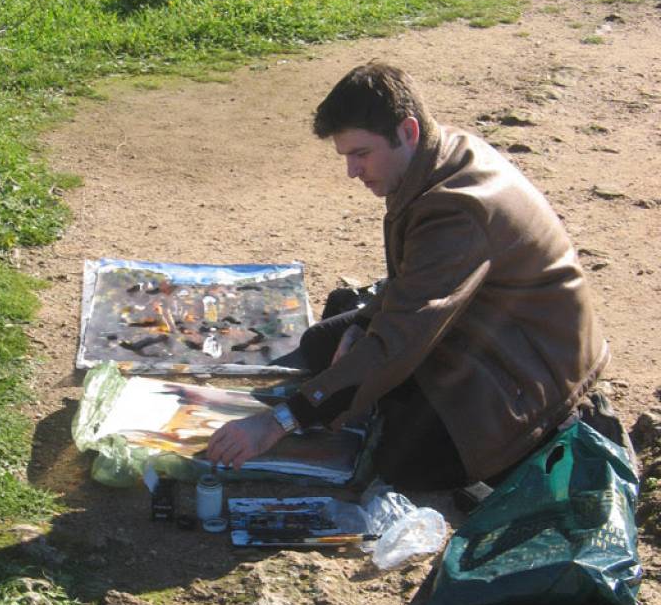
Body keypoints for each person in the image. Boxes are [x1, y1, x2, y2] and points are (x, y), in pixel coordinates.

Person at [206, 62, 616, 489]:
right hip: (487, 324)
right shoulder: (440, 154)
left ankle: (555, 429)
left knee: (400, 461)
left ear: (407, 131)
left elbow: (401, 336)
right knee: (323, 343)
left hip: (532, 372)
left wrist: (277, 422)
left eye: (361, 154)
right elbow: (416, 284)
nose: (352, 171)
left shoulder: (456, 211)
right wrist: (362, 324)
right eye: (346, 156)